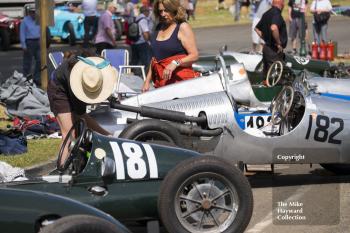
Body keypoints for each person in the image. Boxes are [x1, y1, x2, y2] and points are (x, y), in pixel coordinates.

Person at [47, 49, 117, 169]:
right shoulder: (75, 83)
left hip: (66, 82)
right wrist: (107, 134)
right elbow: (82, 116)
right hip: (58, 90)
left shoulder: (96, 67)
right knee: (69, 134)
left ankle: (76, 165)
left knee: (78, 130)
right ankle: (62, 169)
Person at [142, 0, 199, 92]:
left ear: (174, 10)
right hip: (162, 83)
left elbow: (194, 55)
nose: (163, 14)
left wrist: (175, 63)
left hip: (181, 84)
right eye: (160, 11)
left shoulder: (182, 27)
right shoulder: (158, 27)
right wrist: (147, 81)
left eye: (166, 10)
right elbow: (155, 59)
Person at [255, 0, 287, 74]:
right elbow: (274, 28)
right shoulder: (277, 14)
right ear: (281, 4)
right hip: (274, 50)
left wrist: (266, 38)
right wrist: (278, 43)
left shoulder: (266, 13)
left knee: (266, 74)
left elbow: (257, 29)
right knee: (275, 76)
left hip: (266, 48)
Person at [20, 4, 41, 86]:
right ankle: (26, 79)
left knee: (40, 61)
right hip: (29, 42)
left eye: (35, 12)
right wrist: (23, 45)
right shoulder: (25, 21)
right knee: (27, 62)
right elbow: (22, 33)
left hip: (38, 41)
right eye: (32, 12)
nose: (34, 13)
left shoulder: (38, 20)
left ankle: (36, 78)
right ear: (29, 12)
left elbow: (42, 31)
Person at [130, 6, 152, 71]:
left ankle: (133, 74)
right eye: (148, 11)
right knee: (145, 61)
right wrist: (148, 42)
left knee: (135, 60)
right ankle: (144, 76)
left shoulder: (136, 18)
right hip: (142, 43)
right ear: (145, 11)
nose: (149, 13)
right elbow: (145, 33)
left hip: (134, 42)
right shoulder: (143, 20)